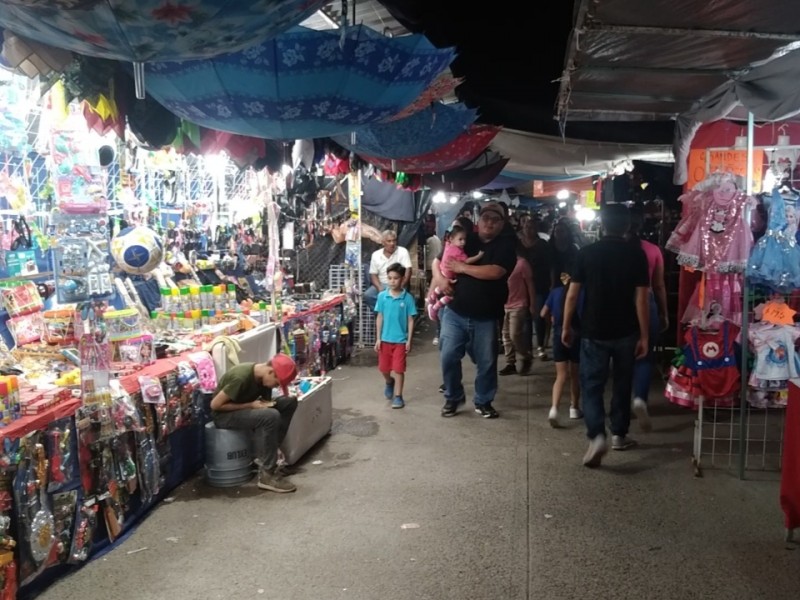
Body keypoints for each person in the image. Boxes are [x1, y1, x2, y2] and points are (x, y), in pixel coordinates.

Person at [562, 203, 649, 468]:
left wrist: (566, 325)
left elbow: (573, 294)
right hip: (626, 330)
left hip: (593, 329)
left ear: (602, 223)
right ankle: (619, 435)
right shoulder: (637, 255)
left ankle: (596, 434)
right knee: (622, 383)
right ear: (627, 226)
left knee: (592, 384)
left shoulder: (587, 253)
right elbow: (641, 299)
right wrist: (645, 335)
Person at [431, 201, 516, 419]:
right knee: (448, 356)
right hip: (455, 311)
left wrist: (462, 268)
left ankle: (483, 400)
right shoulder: (466, 238)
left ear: (502, 224)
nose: (490, 223)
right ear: (479, 220)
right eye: (486, 217)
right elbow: (437, 261)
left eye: (496, 220)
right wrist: (440, 279)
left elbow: (495, 272)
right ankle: (453, 396)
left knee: (486, 362)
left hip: (486, 317)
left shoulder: (505, 245)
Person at [210, 354, 300, 493]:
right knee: (270, 415)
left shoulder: (263, 379)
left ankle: (269, 459)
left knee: (289, 402)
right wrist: (250, 405)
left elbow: (264, 403)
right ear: (270, 372)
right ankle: (267, 474)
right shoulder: (241, 377)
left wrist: (263, 404)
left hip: (246, 410)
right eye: (277, 383)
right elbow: (215, 405)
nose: (276, 386)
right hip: (224, 416)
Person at [628, 205, 669, 433]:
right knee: (645, 355)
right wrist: (663, 312)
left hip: (622, 305)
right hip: (649, 303)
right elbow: (659, 285)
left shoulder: (619, 249)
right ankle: (640, 398)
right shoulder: (653, 250)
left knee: (624, 354)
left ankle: (621, 407)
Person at [541, 272, 583, 427]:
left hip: (558, 334)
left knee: (561, 375)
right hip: (577, 335)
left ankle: (554, 409)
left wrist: (552, 320)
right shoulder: (583, 292)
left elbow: (543, 313)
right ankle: (574, 407)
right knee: (575, 375)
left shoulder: (555, 292)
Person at [374, 263, 417, 409]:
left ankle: (398, 396)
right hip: (385, 340)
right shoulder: (382, 297)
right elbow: (379, 317)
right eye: (390, 278)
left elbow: (411, 320)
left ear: (403, 279)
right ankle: (388, 382)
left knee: (399, 369)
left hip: (400, 340)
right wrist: (378, 338)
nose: (392, 281)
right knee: (383, 369)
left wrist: (409, 340)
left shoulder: (407, 298)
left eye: (396, 278)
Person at [426, 225, 484, 320]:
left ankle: (431, 300)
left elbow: (436, 262)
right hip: (449, 278)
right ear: (451, 238)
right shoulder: (457, 252)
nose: (463, 242)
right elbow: (467, 261)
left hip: (443, 273)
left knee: (438, 291)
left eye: (464, 239)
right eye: (460, 239)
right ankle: (435, 307)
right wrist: (479, 256)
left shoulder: (448, 245)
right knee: (450, 296)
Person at [499, 240, 535, 376]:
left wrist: (532, 304)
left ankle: (526, 356)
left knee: (514, 335)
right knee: (506, 335)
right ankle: (510, 363)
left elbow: (530, 284)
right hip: (504, 304)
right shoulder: (502, 263)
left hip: (519, 304)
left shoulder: (522, 264)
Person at [521, 217, 554, 360]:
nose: (529, 229)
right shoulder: (518, 245)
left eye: (532, 226)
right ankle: (527, 347)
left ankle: (540, 345)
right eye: (527, 226)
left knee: (539, 316)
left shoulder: (543, 245)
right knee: (525, 318)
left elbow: (551, 265)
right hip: (521, 287)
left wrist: (552, 283)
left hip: (540, 284)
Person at [364, 230, 413, 310]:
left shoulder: (403, 252)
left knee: (397, 300)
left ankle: (392, 315)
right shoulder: (376, 255)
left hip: (398, 283)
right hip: (382, 284)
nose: (392, 243)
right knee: (368, 295)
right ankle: (381, 314)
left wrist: (401, 286)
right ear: (383, 242)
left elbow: (408, 270)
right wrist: (380, 288)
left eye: (394, 240)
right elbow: (373, 275)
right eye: (389, 241)